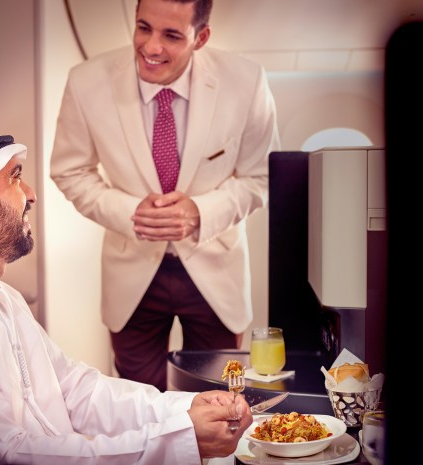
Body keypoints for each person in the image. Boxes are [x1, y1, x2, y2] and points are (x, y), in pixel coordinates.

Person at [0, 125, 253, 465]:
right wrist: (178, 439)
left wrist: (185, 409)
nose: (31, 194)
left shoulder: (2, 299)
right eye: (15, 178)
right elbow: (5, 456)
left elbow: (76, 391)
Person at [50, 0, 281, 391]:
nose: (151, 47)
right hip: (130, 275)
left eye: (172, 35)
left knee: (218, 399)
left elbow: (262, 176)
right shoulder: (85, 82)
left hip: (216, 270)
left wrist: (200, 213)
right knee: (136, 404)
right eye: (143, 27)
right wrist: (130, 213)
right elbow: (69, 170)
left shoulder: (247, 82)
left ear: (201, 37)